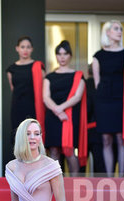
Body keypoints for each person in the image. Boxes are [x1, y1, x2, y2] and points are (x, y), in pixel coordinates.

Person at [92, 20, 124, 177]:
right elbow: (97, 83)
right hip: (103, 101)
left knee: (120, 138)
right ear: (107, 32)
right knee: (106, 139)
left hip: (121, 101)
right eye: (116, 28)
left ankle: (121, 179)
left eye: (121, 29)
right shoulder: (98, 56)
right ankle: (110, 179)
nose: (119, 31)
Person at [43, 40, 88, 176]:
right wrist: (57, 111)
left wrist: (60, 109)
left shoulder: (78, 76)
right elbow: (45, 97)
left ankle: (74, 184)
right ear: (56, 56)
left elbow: (77, 97)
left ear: (70, 56)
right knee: (54, 151)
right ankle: (56, 184)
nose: (62, 57)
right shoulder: (49, 76)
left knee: (69, 151)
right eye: (59, 54)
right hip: (53, 117)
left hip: (69, 116)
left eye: (65, 54)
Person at [6, 36, 45, 137]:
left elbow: (43, 90)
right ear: (17, 48)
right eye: (22, 47)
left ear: (32, 49)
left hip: (33, 107)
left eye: (28, 47)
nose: (25, 50)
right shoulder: (11, 69)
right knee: (18, 139)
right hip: (17, 108)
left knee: (33, 138)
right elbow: (13, 89)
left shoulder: (38, 67)